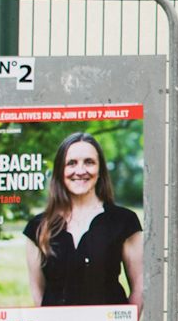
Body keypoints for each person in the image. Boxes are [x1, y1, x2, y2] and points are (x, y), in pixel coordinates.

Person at [22, 131, 143, 308]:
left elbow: (140, 285)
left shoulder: (124, 221)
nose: (80, 171)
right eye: (71, 163)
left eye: (89, 162)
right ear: (60, 171)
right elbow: (38, 292)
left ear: (100, 169)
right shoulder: (37, 227)